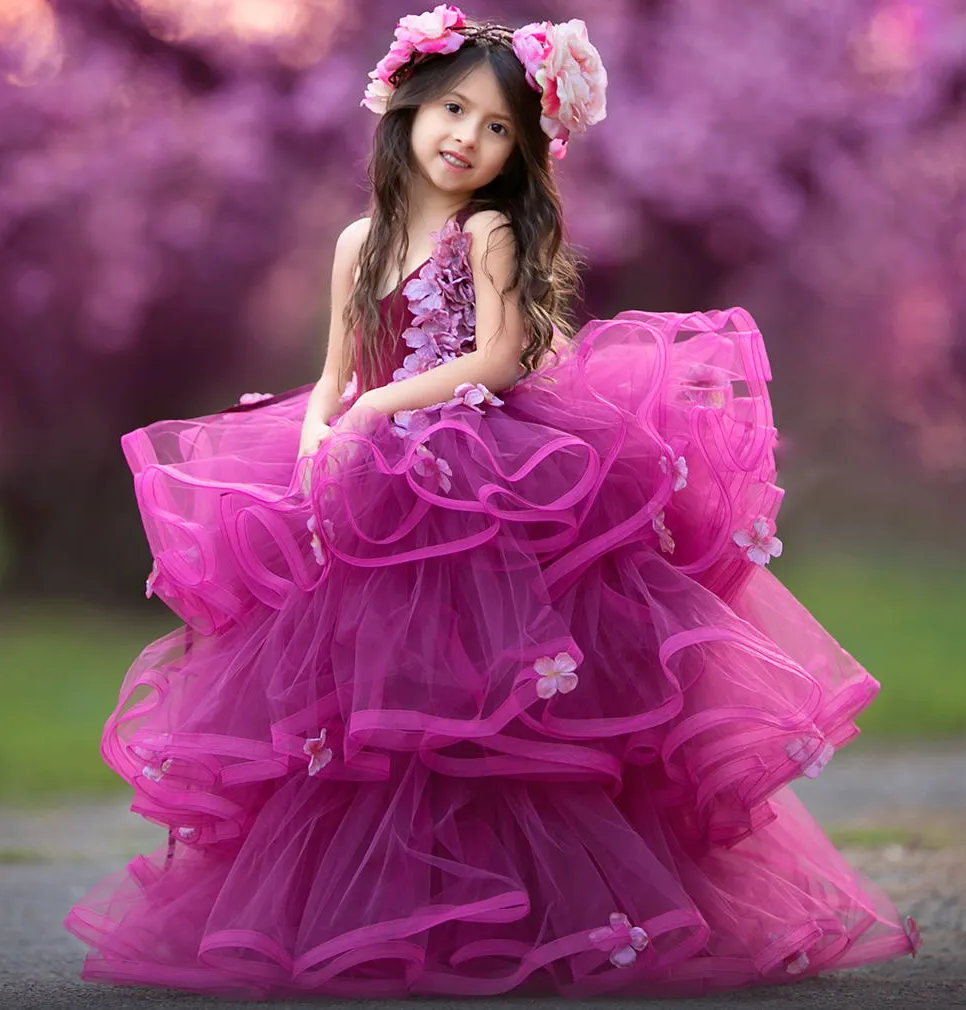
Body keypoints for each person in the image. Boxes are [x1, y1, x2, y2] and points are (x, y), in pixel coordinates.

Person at [64, 7, 921, 998]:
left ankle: (550, 902)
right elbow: (338, 369)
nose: (466, 136)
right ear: (406, 104)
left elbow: (500, 354)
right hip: (375, 481)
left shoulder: (490, 232)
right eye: (453, 109)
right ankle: (392, 907)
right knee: (378, 703)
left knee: (505, 695)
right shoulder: (359, 242)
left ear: (519, 150)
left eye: (498, 126)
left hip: (489, 470)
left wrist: (381, 403)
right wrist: (313, 444)